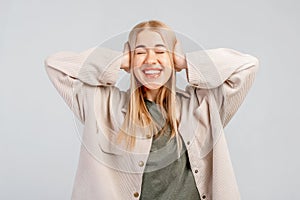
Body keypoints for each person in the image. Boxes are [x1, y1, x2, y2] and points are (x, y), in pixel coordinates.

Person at [44, 20, 259, 200]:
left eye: (160, 51)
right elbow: (56, 65)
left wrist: (185, 62)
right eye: (140, 52)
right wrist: (120, 61)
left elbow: (247, 66)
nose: (150, 60)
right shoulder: (103, 105)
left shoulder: (202, 105)